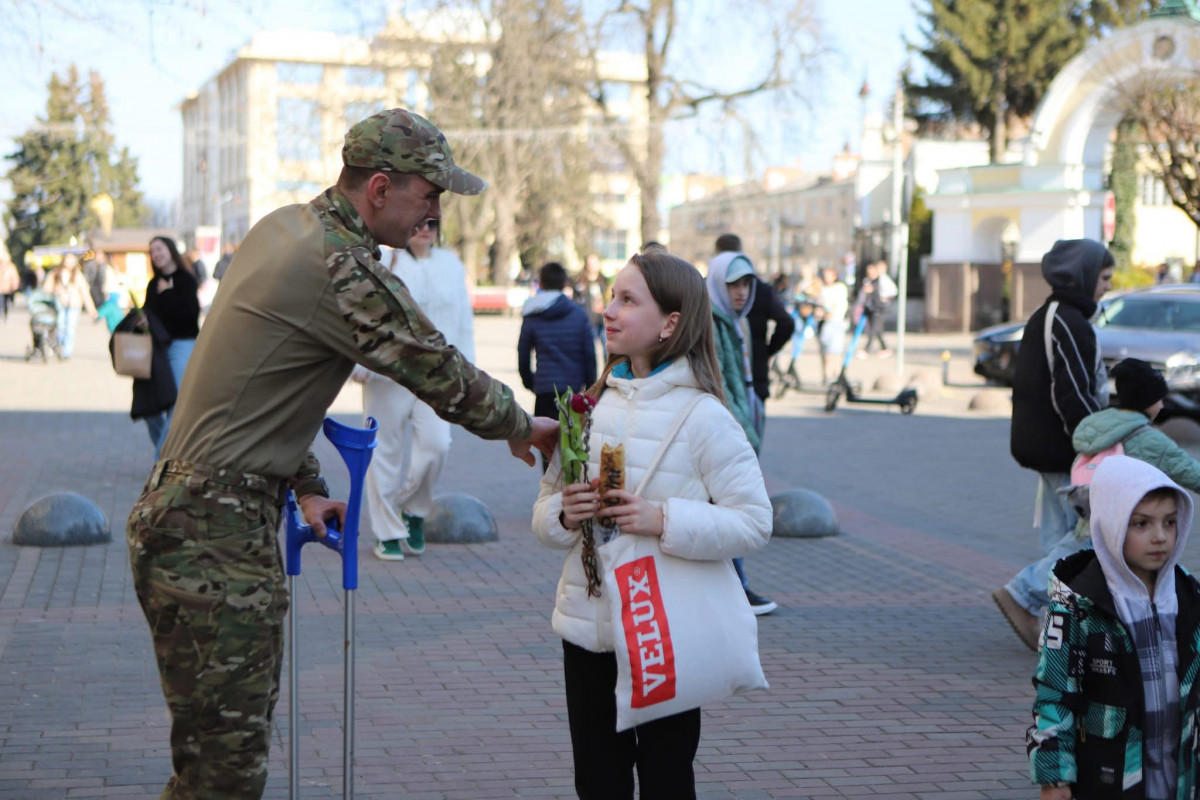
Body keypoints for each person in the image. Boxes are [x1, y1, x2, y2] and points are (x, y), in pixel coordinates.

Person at [125, 107, 559, 799]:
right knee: (223, 779)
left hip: (197, 516)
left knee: (210, 766)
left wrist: (304, 485)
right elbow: (431, 363)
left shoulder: (284, 229)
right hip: (212, 535)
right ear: (380, 189)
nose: (433, 213)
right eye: (429, 194)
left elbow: (259, 382)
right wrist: (519, 425)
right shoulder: (339, 262)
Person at [531, 251, 772, 799]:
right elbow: (544, 522)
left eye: (628, 300)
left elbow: (755, 523)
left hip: (664, 632)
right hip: (585, 630)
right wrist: (567, 513)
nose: (608, 311)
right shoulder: (585, 409)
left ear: (670, 323)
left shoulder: (705, 417)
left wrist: (662, 519)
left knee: (666, 778)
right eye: (611, 296)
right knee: (597, 780)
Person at [1028, 455, 1200, 800]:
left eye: (1169, 522)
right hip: (1110, 781)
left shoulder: (1188, 598)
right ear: (1112, 523)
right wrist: (1055, 776)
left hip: (1180, 779)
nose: (1159, 537)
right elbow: (1056, 694)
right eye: (1141, 524)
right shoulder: (1079, 605)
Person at [994, 238, 1115, 650]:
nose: (1107, 287)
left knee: (1059, 535)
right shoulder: (1066, 319)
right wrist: (1099, 447)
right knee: (1085, 538)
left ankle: (1055, 620)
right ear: (1082, 276)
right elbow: (1074, 393)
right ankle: (1024, 593)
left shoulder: (1056, 315)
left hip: (1051, 447)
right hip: (1068, 450)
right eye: (1103, 278)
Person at [355, 217, 477, 561]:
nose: (425, 229)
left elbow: (464, 320)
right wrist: (361, 362)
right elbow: (364, 313)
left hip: (437, 371)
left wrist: (467, 369)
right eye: (419, 223)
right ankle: (387, 531)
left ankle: (413, 508)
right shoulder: (383, 261)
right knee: (384, 452)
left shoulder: (451, 265)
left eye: (433, 223)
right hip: (389, 371)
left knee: (438, 444)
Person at [706, 240, 781, 615]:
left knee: (726, 507)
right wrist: (746, 434)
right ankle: (738, 588)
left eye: (746, 285)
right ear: (718, 282)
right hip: (728, 430)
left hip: (744, 420)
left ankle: (735, 586)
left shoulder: (735, 322)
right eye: (734, 284)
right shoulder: (711, 321)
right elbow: (720, 384)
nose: (741, 292)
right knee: (730, 507)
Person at [1070, 359, 1200, 537]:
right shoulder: (1151, 440)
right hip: (1127, 538)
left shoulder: (1099, 427)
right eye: (1159, 399)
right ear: (1148, 401)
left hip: (1089, 530)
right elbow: (1191, 473)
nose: (1162, 405)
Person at [518, 261, 597, 470]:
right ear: (564, 284)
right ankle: (571, 497)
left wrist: (530, 382)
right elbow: (589, 355)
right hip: (573, 393)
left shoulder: (532, 314)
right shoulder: (579, 314)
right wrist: (591, 388)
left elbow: (523, 353)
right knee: (574, 449)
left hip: (545, 391)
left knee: (547, 451)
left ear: (541, 283)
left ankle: (551, 498)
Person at [139, 236, 200, 458]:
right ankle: (165, 450)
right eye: (152, 251)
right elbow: (148, 312)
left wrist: (169, 293)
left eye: (159, 249)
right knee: (150, 407)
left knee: (176, 402)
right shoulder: (153, 284)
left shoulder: (185, 280)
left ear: (170, 250)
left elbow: (190, 316)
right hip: (156, 348)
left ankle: (161, 459)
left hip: (182, 345)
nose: (156, 254)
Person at [45, 254, 97, 359]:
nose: (69, 263)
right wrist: (54, 291)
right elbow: (46, 287)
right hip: (60, 303)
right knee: (60, 326)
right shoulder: (55, 273)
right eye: (67, 260)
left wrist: (92, 310)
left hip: (74, 305)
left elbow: (85, 293)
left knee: (70, 328)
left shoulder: (78, 275)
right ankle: (59, 346)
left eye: (71, 261)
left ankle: (66, 352)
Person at [815, 265, 850, 384]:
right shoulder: (823, 289)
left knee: (835, 350)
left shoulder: (840, 288)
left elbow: (841, 304)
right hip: (824, 322)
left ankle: (837, 374)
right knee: (826, 350)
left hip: (836, 321)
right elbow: (819, 303)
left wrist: (832, 313)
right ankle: (827, 374)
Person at [854, 261, 896, 357]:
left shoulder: (882, 280)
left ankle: (866, 349)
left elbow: (891, 291)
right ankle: (885, 348)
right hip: (870, 308)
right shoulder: (868, 281)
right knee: (878, 330)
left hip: (878, 309)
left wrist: (883, 299)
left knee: (873, 329)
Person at [574, 253, 608, 342]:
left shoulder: (604, 280)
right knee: (590, 346)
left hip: (604, 319)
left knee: (606, 347)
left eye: (595, 263)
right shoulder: (580, 282)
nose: (593, 266)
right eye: (590, 263)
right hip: (589, 320)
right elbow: (576, 302)